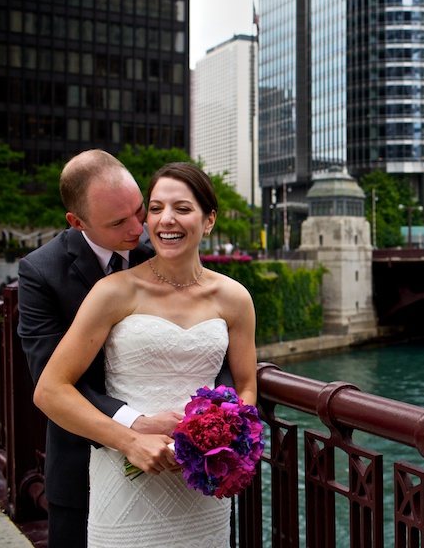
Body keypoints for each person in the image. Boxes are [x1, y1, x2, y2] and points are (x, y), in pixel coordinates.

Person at [33, 162, 258, 547]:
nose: (163, 220)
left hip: (202, 487)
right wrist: (130, 441)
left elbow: (246, 384)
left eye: (182, 209)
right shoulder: (112, 291)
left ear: (209, 221)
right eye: (155, 208)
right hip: (126, 478)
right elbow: (50, 390)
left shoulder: (235, 298)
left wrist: (220, 435)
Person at [17, 149, 159, 547]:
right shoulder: (40, 273)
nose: (139, 227)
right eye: (118, 222)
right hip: (80, 466)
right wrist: (135, 424)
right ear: (76, 222)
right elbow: (50, 380)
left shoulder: (159, 247)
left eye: (139, 209)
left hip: (166, 467)